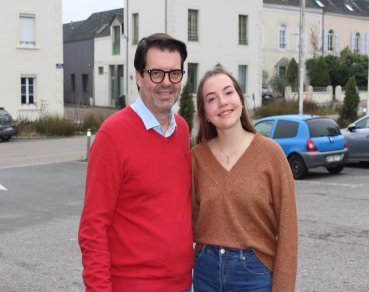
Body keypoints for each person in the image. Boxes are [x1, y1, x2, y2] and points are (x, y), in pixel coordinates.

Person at [78, 33, 193, 292]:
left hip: (183, 285)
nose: (167, 83)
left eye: (175, 73)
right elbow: (93, 228)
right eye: (156, 73)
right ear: (138, 76)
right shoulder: (112, 135)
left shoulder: (182, 131)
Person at [191, 67, 298, 291]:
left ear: (240, 99)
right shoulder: (196, 159)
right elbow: (186, 221)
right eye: (212, 99)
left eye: (228, 92)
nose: (222, 102)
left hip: (254, 273)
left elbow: (288, 229)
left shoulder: (271, 154)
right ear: (206, 113)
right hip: (205, 272)